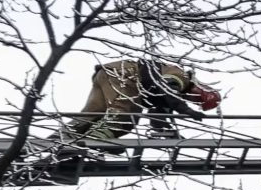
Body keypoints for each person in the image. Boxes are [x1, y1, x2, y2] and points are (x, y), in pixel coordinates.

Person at [63, 57, 223, 142]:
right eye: (197, 100)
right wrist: (186, 111)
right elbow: (167, 87)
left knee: (93, 113)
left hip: (108, 74)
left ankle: (63, 138)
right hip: (126, 76)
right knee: (125, 116)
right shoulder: (179, 76)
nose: (192, 100)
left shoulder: (168, 96)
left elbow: (158, 117)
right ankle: (97, 140)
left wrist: (169, 134)